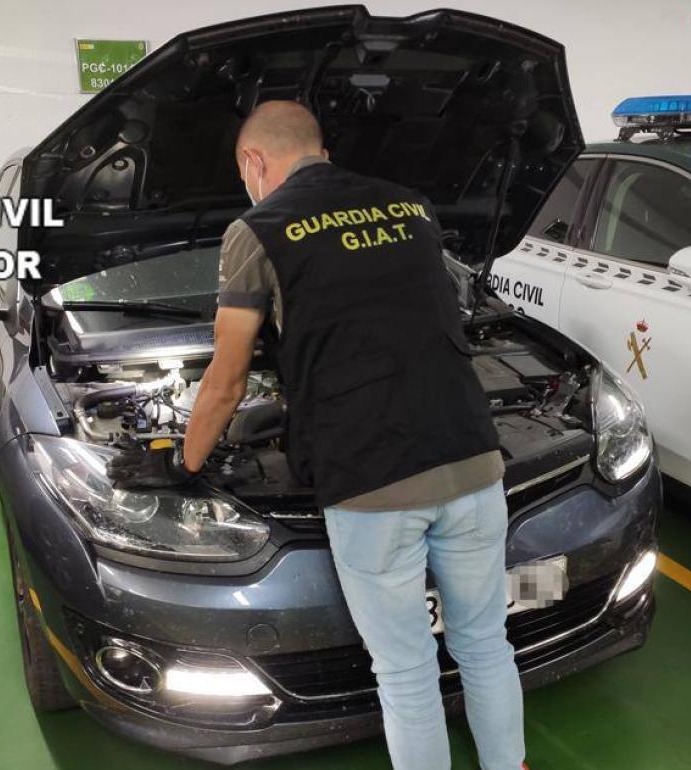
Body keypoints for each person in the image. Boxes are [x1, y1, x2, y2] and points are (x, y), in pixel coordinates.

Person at [109, 100, 526, 770]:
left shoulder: (258, 229)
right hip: (473, 457)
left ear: (253, 161)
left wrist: (182, 461)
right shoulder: (411, 205)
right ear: (320, 149)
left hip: (372, 481)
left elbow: (227, 377)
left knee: (408, 670)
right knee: (484, 644)